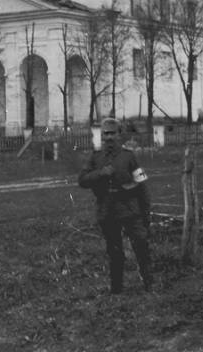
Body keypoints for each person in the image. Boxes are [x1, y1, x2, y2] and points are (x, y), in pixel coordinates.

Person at [78, 117, 152, 294]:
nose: (109, 137)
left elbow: (141, 183)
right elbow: (82, 180)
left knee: (141, 245)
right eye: (105, 134)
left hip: (130, 209)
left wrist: (145, 213)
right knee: (114, 251)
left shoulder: (129, 156)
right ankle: (117, 288)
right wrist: (101, 173)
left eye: (112, 133)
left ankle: (149, 283)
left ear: (119, 135)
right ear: (102, 136)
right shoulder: (95, 158)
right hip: (108, 210)